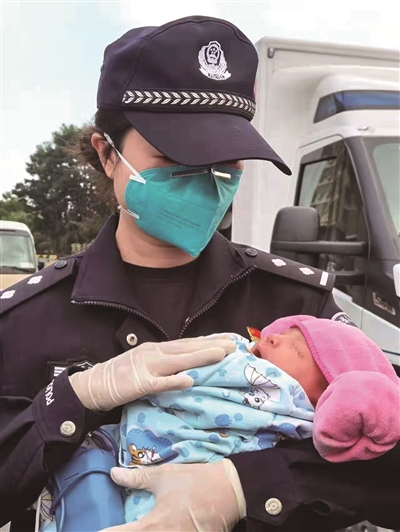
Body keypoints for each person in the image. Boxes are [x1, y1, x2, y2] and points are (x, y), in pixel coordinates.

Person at [0, 15, 399, 532]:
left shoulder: (299, 311)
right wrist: (74, 401)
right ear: (107, 154)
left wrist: (245, 486)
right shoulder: (25, 322)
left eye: (227, 162)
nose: (207, 181)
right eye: (175, 158)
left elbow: (387, 462)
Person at [37, 316, 399, 531]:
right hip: (106, 472)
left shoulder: (286, 390)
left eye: (297, 348)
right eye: (283, 332)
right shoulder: (30, 312)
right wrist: (74, 397)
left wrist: (243, 485)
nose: (271, 335)